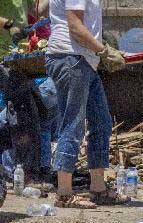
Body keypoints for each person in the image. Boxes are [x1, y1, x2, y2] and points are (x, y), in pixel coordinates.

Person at [45, 0, 128, 209]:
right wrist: (104, 51)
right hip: (71, 58)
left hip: (84, 60)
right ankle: (64, 193)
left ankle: (98, 189)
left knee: (101, 122)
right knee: (73, 124)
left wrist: (101, 52)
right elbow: (75, 28)